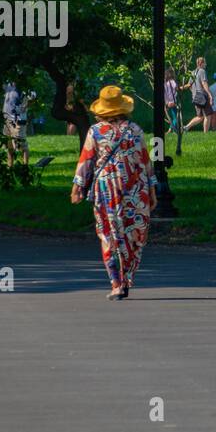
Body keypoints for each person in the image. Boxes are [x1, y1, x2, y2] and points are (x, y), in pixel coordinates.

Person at [70, 86, 156, 300]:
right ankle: (127, 279)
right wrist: (153, 190)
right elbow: (146, 161)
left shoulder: (95, 132)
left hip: (107, 191)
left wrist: (77, 188)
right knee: (134, 236)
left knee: (109, 235)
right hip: (137, 190)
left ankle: (116, 283)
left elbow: (86, 161)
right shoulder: (135, 130)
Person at [2, 81, 30, 168]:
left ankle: (25, 168)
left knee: (22, 146)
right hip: (7, 120)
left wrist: (24, 107)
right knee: (9, 146)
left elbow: (32, 96)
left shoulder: (23, 87)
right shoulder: (8, 85)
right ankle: (10, 167)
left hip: (18, 120)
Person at [182, 57, 213, 133]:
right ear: (201, 63)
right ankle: (205, 134)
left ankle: (186, 127)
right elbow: (204, 83)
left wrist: (180, 88)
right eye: (204, 63)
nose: (205, 64)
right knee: (208, 115)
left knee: (200, 116)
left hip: (195, 97)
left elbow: (189, 85)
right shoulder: (202, 71)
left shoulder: (193, 72)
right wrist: (209, 94)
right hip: (203, 96)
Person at [164, 67, 183, 155]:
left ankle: (171, 129)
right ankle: (174, 130)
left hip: (168, 102)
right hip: (174, 102)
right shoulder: (172, 82)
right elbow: (177, 89)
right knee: (176, 117)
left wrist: (166, 103)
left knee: (173, 116)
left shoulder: (165, 83)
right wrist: (185, 86)